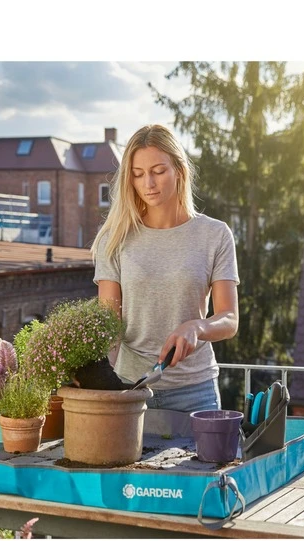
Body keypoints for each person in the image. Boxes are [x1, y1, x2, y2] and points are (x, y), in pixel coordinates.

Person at [91, 124, 240, 413]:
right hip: (131, 390)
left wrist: (197, 326)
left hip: (195, 390)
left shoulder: (215, 235)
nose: (148, 183)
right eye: (138, 174)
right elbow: (109, 325)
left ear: (179, 170)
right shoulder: (115, 238)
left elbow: (229, 319)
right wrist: (98, 382)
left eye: (158, 171)